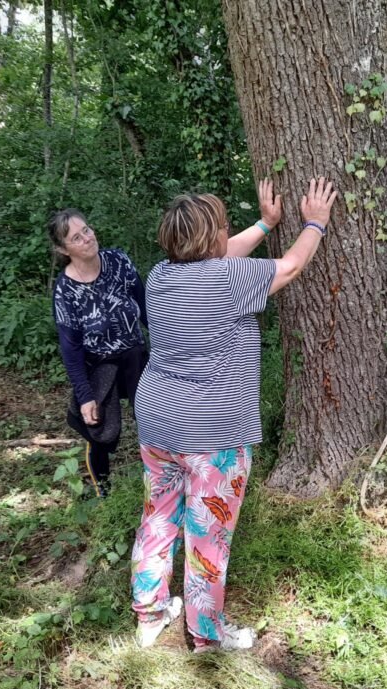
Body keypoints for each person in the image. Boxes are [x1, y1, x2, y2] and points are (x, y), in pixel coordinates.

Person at [130, 178, 337, 652]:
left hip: (160, 423)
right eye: (223, 226)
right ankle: (207, 634)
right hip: (212, 432)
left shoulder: (161, 275)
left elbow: (225, 251)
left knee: (158, 519)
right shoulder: (228, 280)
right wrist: (315, 223)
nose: (228, 233)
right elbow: (292, 265)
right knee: (208, 536)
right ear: (211, 239)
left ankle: (151, 613)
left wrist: (265, 223)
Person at [49, 209, 148, 498]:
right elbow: (71, 349)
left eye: (87, 230)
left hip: (134, 356)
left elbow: (146, 310)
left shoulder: (119, 262)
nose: (87, 238)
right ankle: (104, 493)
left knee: (151, 421)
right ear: (63, 249)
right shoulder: (65, 291)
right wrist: (84, 395)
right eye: (76, 237)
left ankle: (155, 485)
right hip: (98, 364)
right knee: (99, 432)